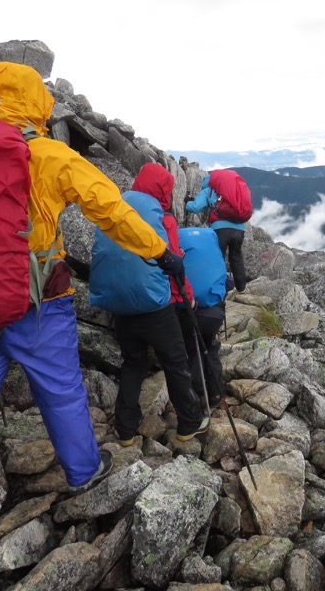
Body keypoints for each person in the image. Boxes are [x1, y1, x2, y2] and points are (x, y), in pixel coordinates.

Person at [0, 62, 186, 574]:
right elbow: (111, 208)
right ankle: (83, 471)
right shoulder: (48, 154)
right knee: (60, 390)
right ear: (36, 102)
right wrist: (159, 253)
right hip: (38, 302)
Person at [100, 163, 210, 447]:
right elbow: (173, 264)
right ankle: (189, 422)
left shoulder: (116, 210)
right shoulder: (163, 220)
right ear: (163, 190)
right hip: (156, 310)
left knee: (133, 364)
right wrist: (189, 298)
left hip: (120, 308)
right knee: (175, 363)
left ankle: (125, 428)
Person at [177, 226, 230, 410]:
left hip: (189, 311)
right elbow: (226, 281)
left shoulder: (175, 241)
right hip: (215, 313)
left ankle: (199, 395)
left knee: (192, 351)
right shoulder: (211, 241)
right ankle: (217, 392)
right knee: (210, 347)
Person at [185, 170, 248, 293]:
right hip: (239, 229)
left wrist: (187, 202)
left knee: (217, 258)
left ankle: (220, 289)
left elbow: (195, 207)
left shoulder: (208, 190)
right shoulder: (231, 192)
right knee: (236, 257)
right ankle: (241, 288)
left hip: (220, 229)